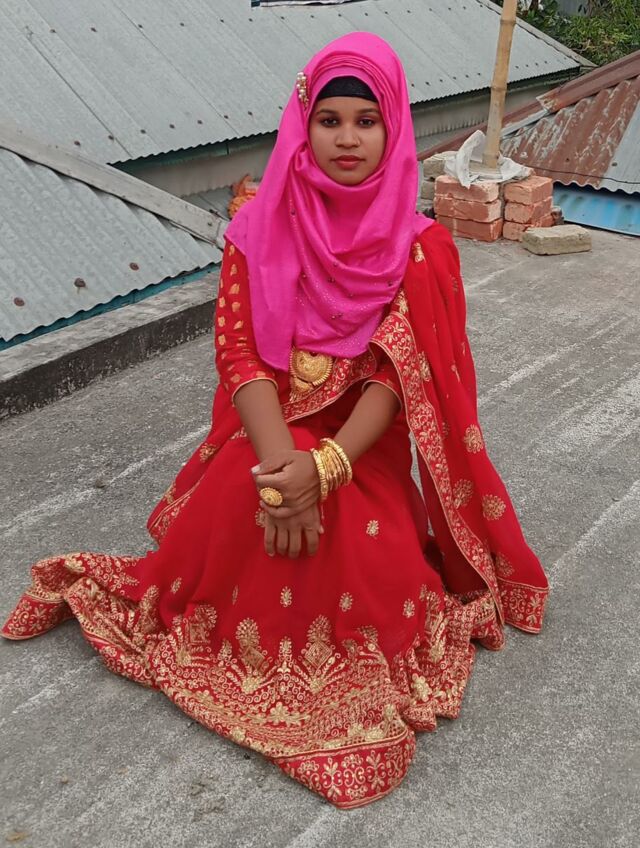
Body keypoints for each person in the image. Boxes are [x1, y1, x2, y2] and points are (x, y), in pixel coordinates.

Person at [1, 32, 549, 809]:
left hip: (361, 449)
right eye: (330, 120)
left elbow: (399, 373)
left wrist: (324, 469)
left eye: (367, 120)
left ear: (394, 125)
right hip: (266, 436)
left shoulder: (420, 246)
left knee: (357, 549)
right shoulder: (258, 224)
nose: (348, 138)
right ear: (304, 123)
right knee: (241, 501)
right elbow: (240, 355)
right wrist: (281, 471)